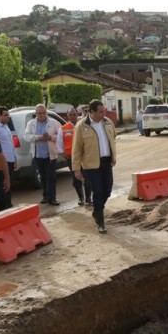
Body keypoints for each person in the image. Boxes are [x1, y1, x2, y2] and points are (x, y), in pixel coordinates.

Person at [72, 99, 117, 234]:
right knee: (97, 192)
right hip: (91, 165)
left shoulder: (108, 122)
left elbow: (113, 137)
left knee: (107, 189)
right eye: (100, 112)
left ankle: (97, 211)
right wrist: (76, 168)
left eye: (104, 111)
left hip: (106, 162)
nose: (103, 114)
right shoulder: (81, 126)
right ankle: (100, 221)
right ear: (91, 112)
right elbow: (76, 149)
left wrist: (113, 155)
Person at [24, 104, 61, 206]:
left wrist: (50, 138)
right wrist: (38, 137)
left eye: (44, 113)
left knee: (51, 177)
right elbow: (26, 136)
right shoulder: (31, 123)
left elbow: (61, 136)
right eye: (39, 113)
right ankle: (45, 195)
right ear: (36, 114)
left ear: (46, 113)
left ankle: (52, 198)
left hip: (50, 155)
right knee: (43, 177)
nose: (42, 115)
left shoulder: (54, 123)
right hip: (38, 155)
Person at [57, 108, 92, 206]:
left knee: (88, 177)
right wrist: (62, 153)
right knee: (76, 178)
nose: (72, 116)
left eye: (74, 114)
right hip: (71, 158)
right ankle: (81, 198)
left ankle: (88, 198)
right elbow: (59, 144)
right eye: (70, 115)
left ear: (77, 114)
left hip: (84, 157)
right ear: (67, 116)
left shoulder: (83, 125)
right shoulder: (63, 128)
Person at [0, 107, 17, 211]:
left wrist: (15, 158)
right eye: (5, 115)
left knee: (9, 182)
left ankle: (8, 203)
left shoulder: (5, 126)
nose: (7, 117)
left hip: (10, 159)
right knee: (2, 183)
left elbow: (10, 143)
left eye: (8, 115)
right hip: (2, 161)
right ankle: (2, 206)